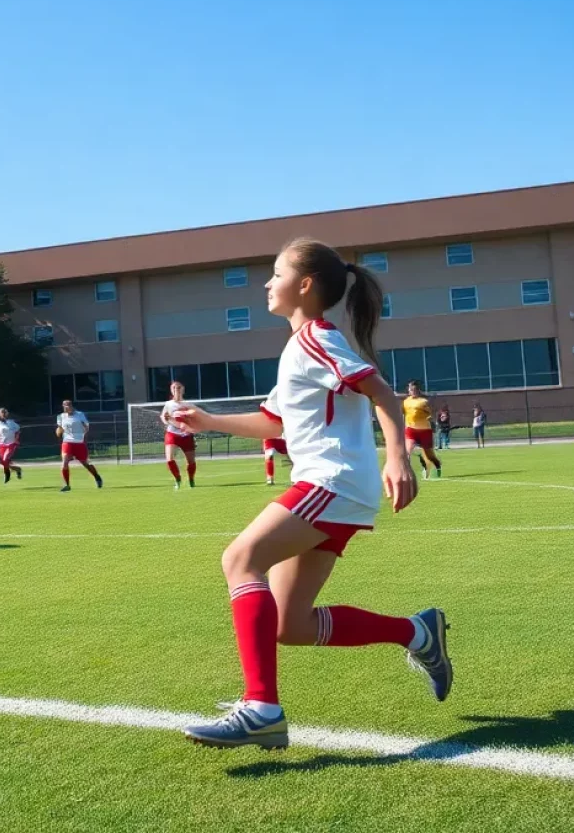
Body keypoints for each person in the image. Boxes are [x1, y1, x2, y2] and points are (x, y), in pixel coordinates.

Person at [173, 238, 451, 751]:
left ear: (304, 285)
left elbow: (381, 392)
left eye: (274, 273)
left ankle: (261, 708)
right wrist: (207, 419)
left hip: (331, 480)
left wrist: (397, 456)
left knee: (240, 558)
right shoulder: (300, 345)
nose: (265, 283)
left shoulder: (316, 338)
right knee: (288, 623)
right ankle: (418, 633)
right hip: (337, 487)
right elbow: (274, 421)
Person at [56, 399, 103, 492]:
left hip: (79, 443)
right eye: (64, 405)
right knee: (64, 462)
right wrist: (58, 432)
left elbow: (86, 427)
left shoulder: (80, 414)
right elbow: (59, 429)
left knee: (86, 464)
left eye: (68, 405)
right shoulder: (60, 416)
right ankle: (67, 485)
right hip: (67, 442)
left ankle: (97, 477)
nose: (66, 407)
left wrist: (83, 435)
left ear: (71, 406)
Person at [161, 381, 197, 489]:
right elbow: (163, 417)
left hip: (186, 435)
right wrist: (166, 419)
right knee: (169, 459)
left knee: (191, 461)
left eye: (178, 387)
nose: (176, 389)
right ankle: (177, 479)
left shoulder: (188, 405)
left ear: (183, 389)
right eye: (174, 387)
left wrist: (188, 424)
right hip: (172, 433)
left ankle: (191, 479)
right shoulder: (168, 404)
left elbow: (194, 419)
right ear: (171, 390)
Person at [403, 380, 442, 479]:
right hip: (411, 429)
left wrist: (431, 417)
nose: (412, 391)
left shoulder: (423, 402)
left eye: (414, 389)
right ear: (408, 390)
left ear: (418, 390)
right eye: (411, 389)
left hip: (424, 430)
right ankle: (408, 474)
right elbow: (404, 414)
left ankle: (437, 465)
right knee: (407, 452)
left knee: (430, 456)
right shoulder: (406, 402)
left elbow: (431, 412)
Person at [0, 407, 23, 483]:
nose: (3, 414)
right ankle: (17, 469)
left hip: (11, 444)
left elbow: (18, 430)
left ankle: (7, 475)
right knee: (3, 462)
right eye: (1, 413)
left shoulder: (11, 422)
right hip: (2, 446)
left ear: (6, 414)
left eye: (4, 412)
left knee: (5, 460)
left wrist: (16, 439)